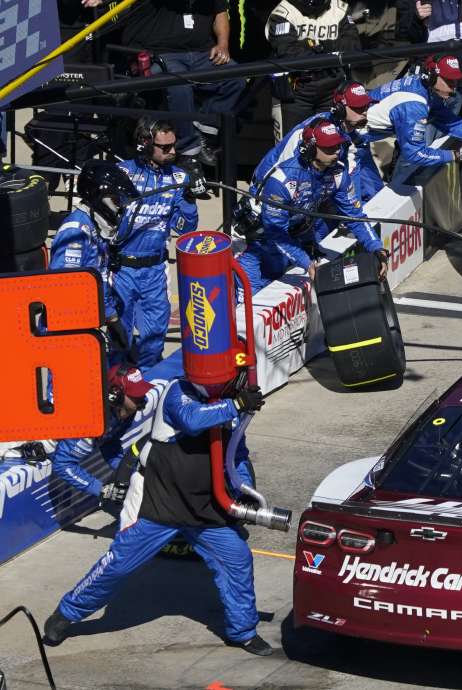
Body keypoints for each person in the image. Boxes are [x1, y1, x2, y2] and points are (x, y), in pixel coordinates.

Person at [43, 373, 269, 655]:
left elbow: (237, 455)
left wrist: (244, 487)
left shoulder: (232, 408)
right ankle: (66, 613)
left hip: (203, 507)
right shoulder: (179, 391)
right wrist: (234, 405)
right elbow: (192, 419)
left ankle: (243, 632)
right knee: (119, 564)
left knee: (237, 558)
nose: (140, 402)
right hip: (156, 502)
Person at [238, 119, 386, 296]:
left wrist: (377, 248)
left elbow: (355, 216)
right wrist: (306, 262)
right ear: (310, 149)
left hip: (290, 237)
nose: (337, 152)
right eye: (329, 148)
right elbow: (275, 231)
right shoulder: (284, 179)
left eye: (338, 146)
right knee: (250, 301)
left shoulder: (338, 174)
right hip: (254, 244)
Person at [114, 119, 204, 369]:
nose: (173, 152)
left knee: (154, 335)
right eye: (165, 148)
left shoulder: (178, 178)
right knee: (118, 333)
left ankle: (145, 379)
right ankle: (117, 383)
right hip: (121, 268)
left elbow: (186, 228)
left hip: (155, 268)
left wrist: (188, 200)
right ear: (144, 145)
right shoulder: (122, 173)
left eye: (174, 146)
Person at [119, 0, 243, 169]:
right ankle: (188, 152)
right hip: (160, 52)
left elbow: (220, 14)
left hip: (200, 53)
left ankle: (203, 131)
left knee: (235, 77)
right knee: (179, 84)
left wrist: (222, 44)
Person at [366, 55, 462, 188]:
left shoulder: (424, 88)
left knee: (372, 193)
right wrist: (456, 155)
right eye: (449, 80)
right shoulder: (415, 104)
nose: (454, 87)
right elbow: (415, 154)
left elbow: (455, 125)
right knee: (364, 201)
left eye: (455, 80)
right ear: (431, 77)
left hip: (360, 138)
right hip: (353, 139)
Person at [50, 160, 137, 361]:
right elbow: (63, 288)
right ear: (99, 197)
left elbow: (99, 280)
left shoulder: (95, 227)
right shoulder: (76, 233)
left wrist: (111, 318)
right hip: (67, 328)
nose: (121, 207)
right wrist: (109, 317)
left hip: (86, 323)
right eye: (117, 200)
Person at [253, 81, 383, 204]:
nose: (365, 111)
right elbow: (284, 173)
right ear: (340, 109)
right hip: (268, 191)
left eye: (366, 106)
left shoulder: (346, 129)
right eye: (358, 108)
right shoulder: (310, 135)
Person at [50, 364, 152, 504]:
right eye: (136, 397)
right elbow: (62, 464)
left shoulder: (126, 410)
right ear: (115, 396)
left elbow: (109, 444)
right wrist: (102, 490)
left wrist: (131, 472)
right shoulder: (90, 421)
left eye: (141, 394)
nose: (142, 401)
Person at [266, 0, 363, 140]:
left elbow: (353, 48)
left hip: (332, 90)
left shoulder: (340, 8)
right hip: (296, 92)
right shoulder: (282, 12)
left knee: (332, 145)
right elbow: (290, 55)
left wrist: (319, 46)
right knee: (289, 148)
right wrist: (331, 53)